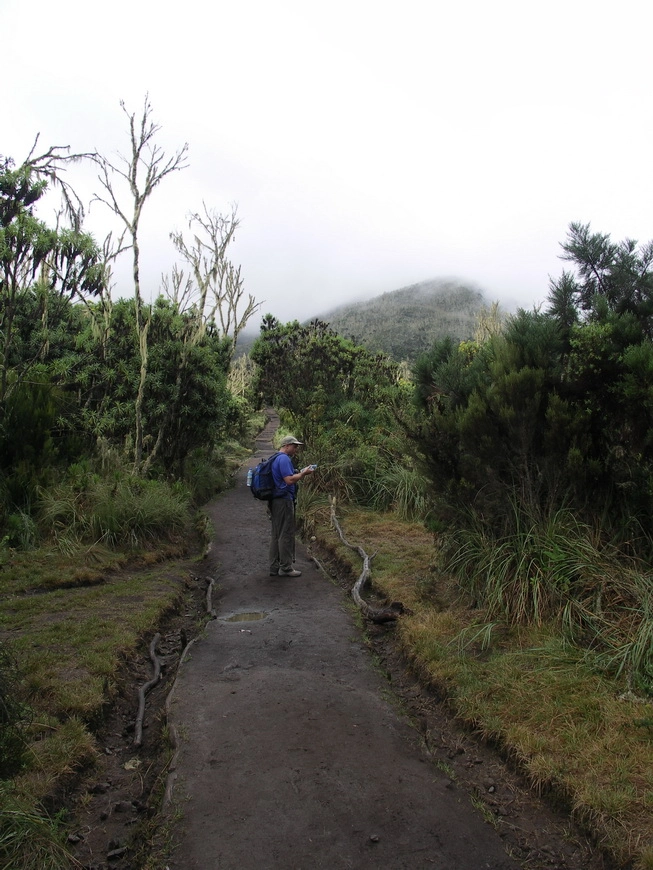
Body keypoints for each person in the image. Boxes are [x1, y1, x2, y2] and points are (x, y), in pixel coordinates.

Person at [269, 435, 315, 577]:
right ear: (287, 445)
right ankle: (286, 567)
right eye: (294, 446)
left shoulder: (275, 458)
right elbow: (289, 480)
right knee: (286, 534)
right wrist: (303, 473)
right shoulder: (283, 459)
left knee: (276, 534)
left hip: (275, 500)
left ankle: (274, 567)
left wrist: (299, 472)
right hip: (283, 500)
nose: (296, 449)